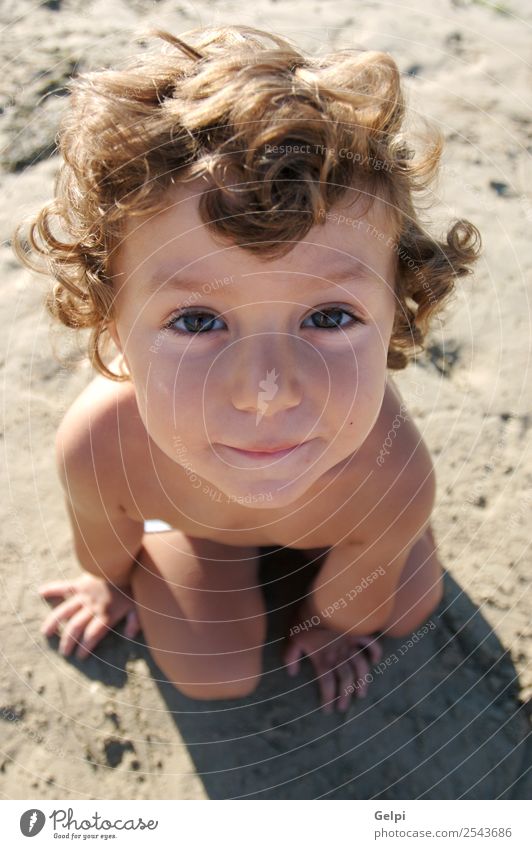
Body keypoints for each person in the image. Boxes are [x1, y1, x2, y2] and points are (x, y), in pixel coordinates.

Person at [13, 24, 481, 714]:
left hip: (347, 516)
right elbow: (101, 534)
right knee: (209, 671)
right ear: (113, 326)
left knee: (408, 606)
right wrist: (108, 583)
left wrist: (330, 623)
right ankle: (240, 558)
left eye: (327, 317)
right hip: (200, 528)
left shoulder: (392, 470)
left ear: (399, 310)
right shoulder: (101, 445)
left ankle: (368, 555)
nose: (267, 391)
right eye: (198, 321)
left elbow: (358, 606)